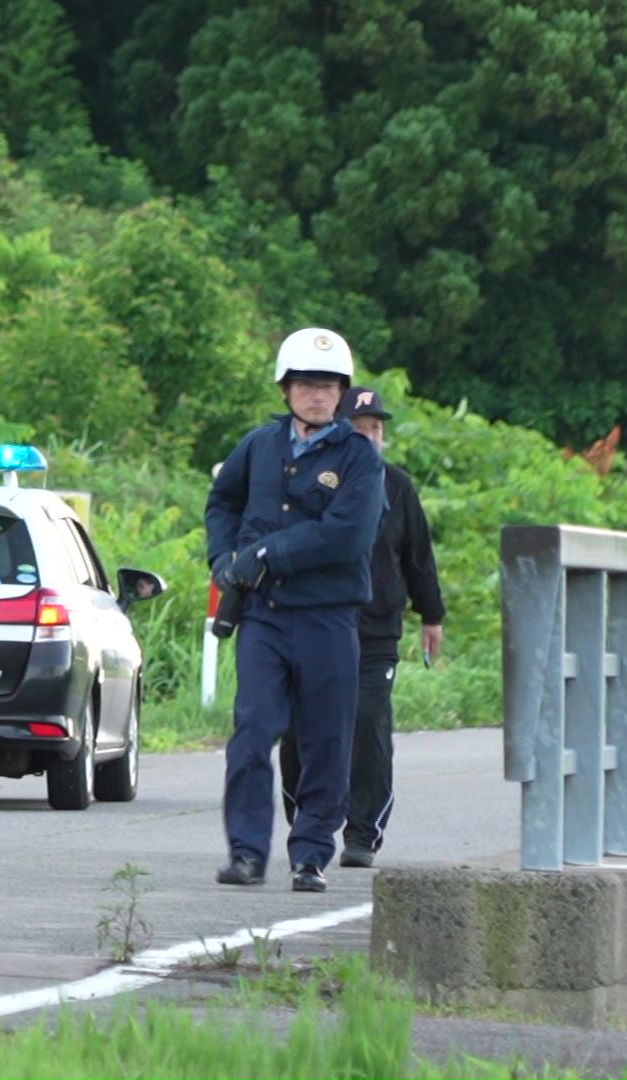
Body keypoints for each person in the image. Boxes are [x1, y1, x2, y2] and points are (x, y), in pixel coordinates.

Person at [205, 328, 384, 893]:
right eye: (307, 384)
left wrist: (265, 553)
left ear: (341, 393)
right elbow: (223, 501)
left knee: (326, 739)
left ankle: (310, 854)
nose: (318, 395)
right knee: (253, 732)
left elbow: (348, 535)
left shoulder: (358, 457)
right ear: (286, 388)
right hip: (264, 616)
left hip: (328, 616)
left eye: (329, 386)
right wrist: (223, 557)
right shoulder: (259, 445)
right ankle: (247, 853)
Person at [278, 386, 445, 867]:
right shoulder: (310, 482)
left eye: (376, 430)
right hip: (313, 624)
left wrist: (431, 614)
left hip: (375, 631)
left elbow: (417, 556)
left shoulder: (397, 486)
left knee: (367, 722)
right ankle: (308, 822)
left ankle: (362, 831)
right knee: (300, 730)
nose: (369, 438)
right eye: (359, 429)